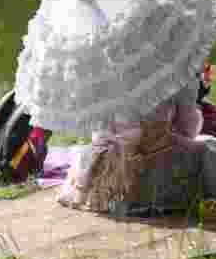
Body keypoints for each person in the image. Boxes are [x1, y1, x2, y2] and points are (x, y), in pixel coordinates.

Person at [58, 80, 206, 213]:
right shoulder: (177, 75)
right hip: (147, 160)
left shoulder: (104, 73)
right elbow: (188, 130)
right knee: (206, 153)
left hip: (101, 160)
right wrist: (197, 110)